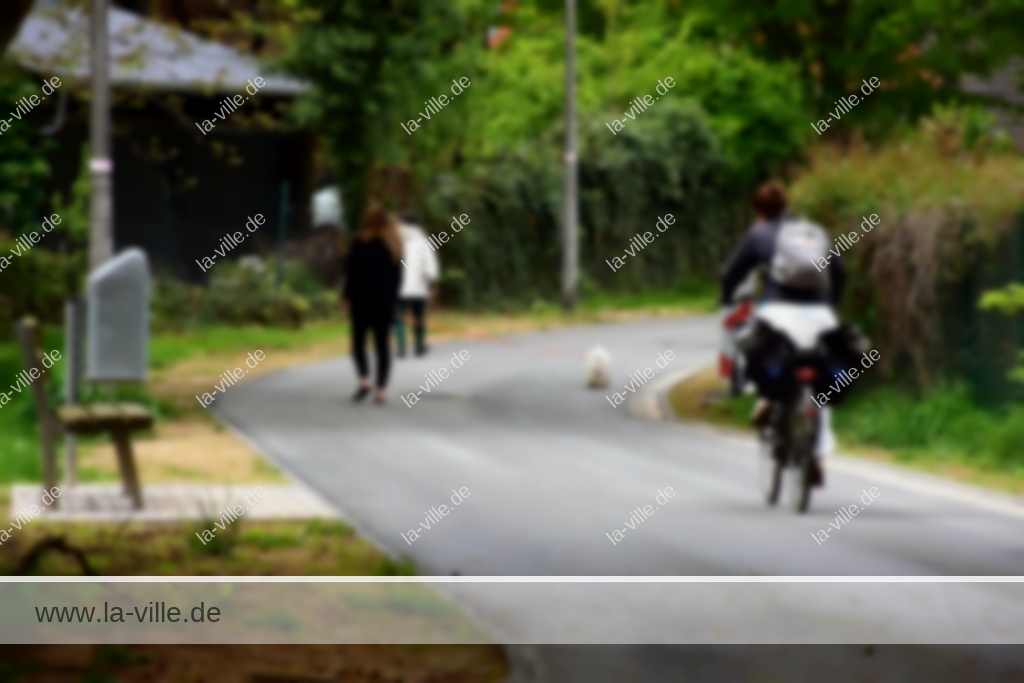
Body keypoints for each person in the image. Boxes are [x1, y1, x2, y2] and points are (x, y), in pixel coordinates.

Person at [720, 181, 847, 485]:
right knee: (822, 384)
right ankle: (817, 454)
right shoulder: (811, 233)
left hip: (778, 314)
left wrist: (726, 299)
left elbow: (730, 273)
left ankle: (765, 398)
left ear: (758, 211)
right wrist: (831, 305)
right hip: (820, 315)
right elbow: (841, 272)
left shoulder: (758, 234)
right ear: (787, 206)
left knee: (756, 348)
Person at [342, 204, 403, 404]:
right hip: (384, 303)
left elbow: (351, 274)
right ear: (385, 222)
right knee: (382, 346)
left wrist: (346, 297)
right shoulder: (392, 247)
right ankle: (381, 390)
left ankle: (365, 379)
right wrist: (395, 304)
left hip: (361, 302)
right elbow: (397, 279)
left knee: (358, 343)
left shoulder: (358, 244)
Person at [394, 209, 440, 357]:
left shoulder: (395, 239)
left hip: (398, 286)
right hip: (418, 287)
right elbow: (430, 265)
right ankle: (419, 346)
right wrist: (432, 282)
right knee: (419, 316)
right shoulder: (422, 240)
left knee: (398, 317)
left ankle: (401, 347)